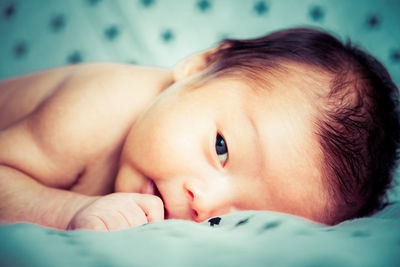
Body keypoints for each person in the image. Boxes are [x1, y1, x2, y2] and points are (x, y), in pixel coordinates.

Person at [0, 27, 399, 231]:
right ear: (198, 67)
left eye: (241, 215)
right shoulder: (94, 109)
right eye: (221, 147)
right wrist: (74, 212)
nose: (204, 204)